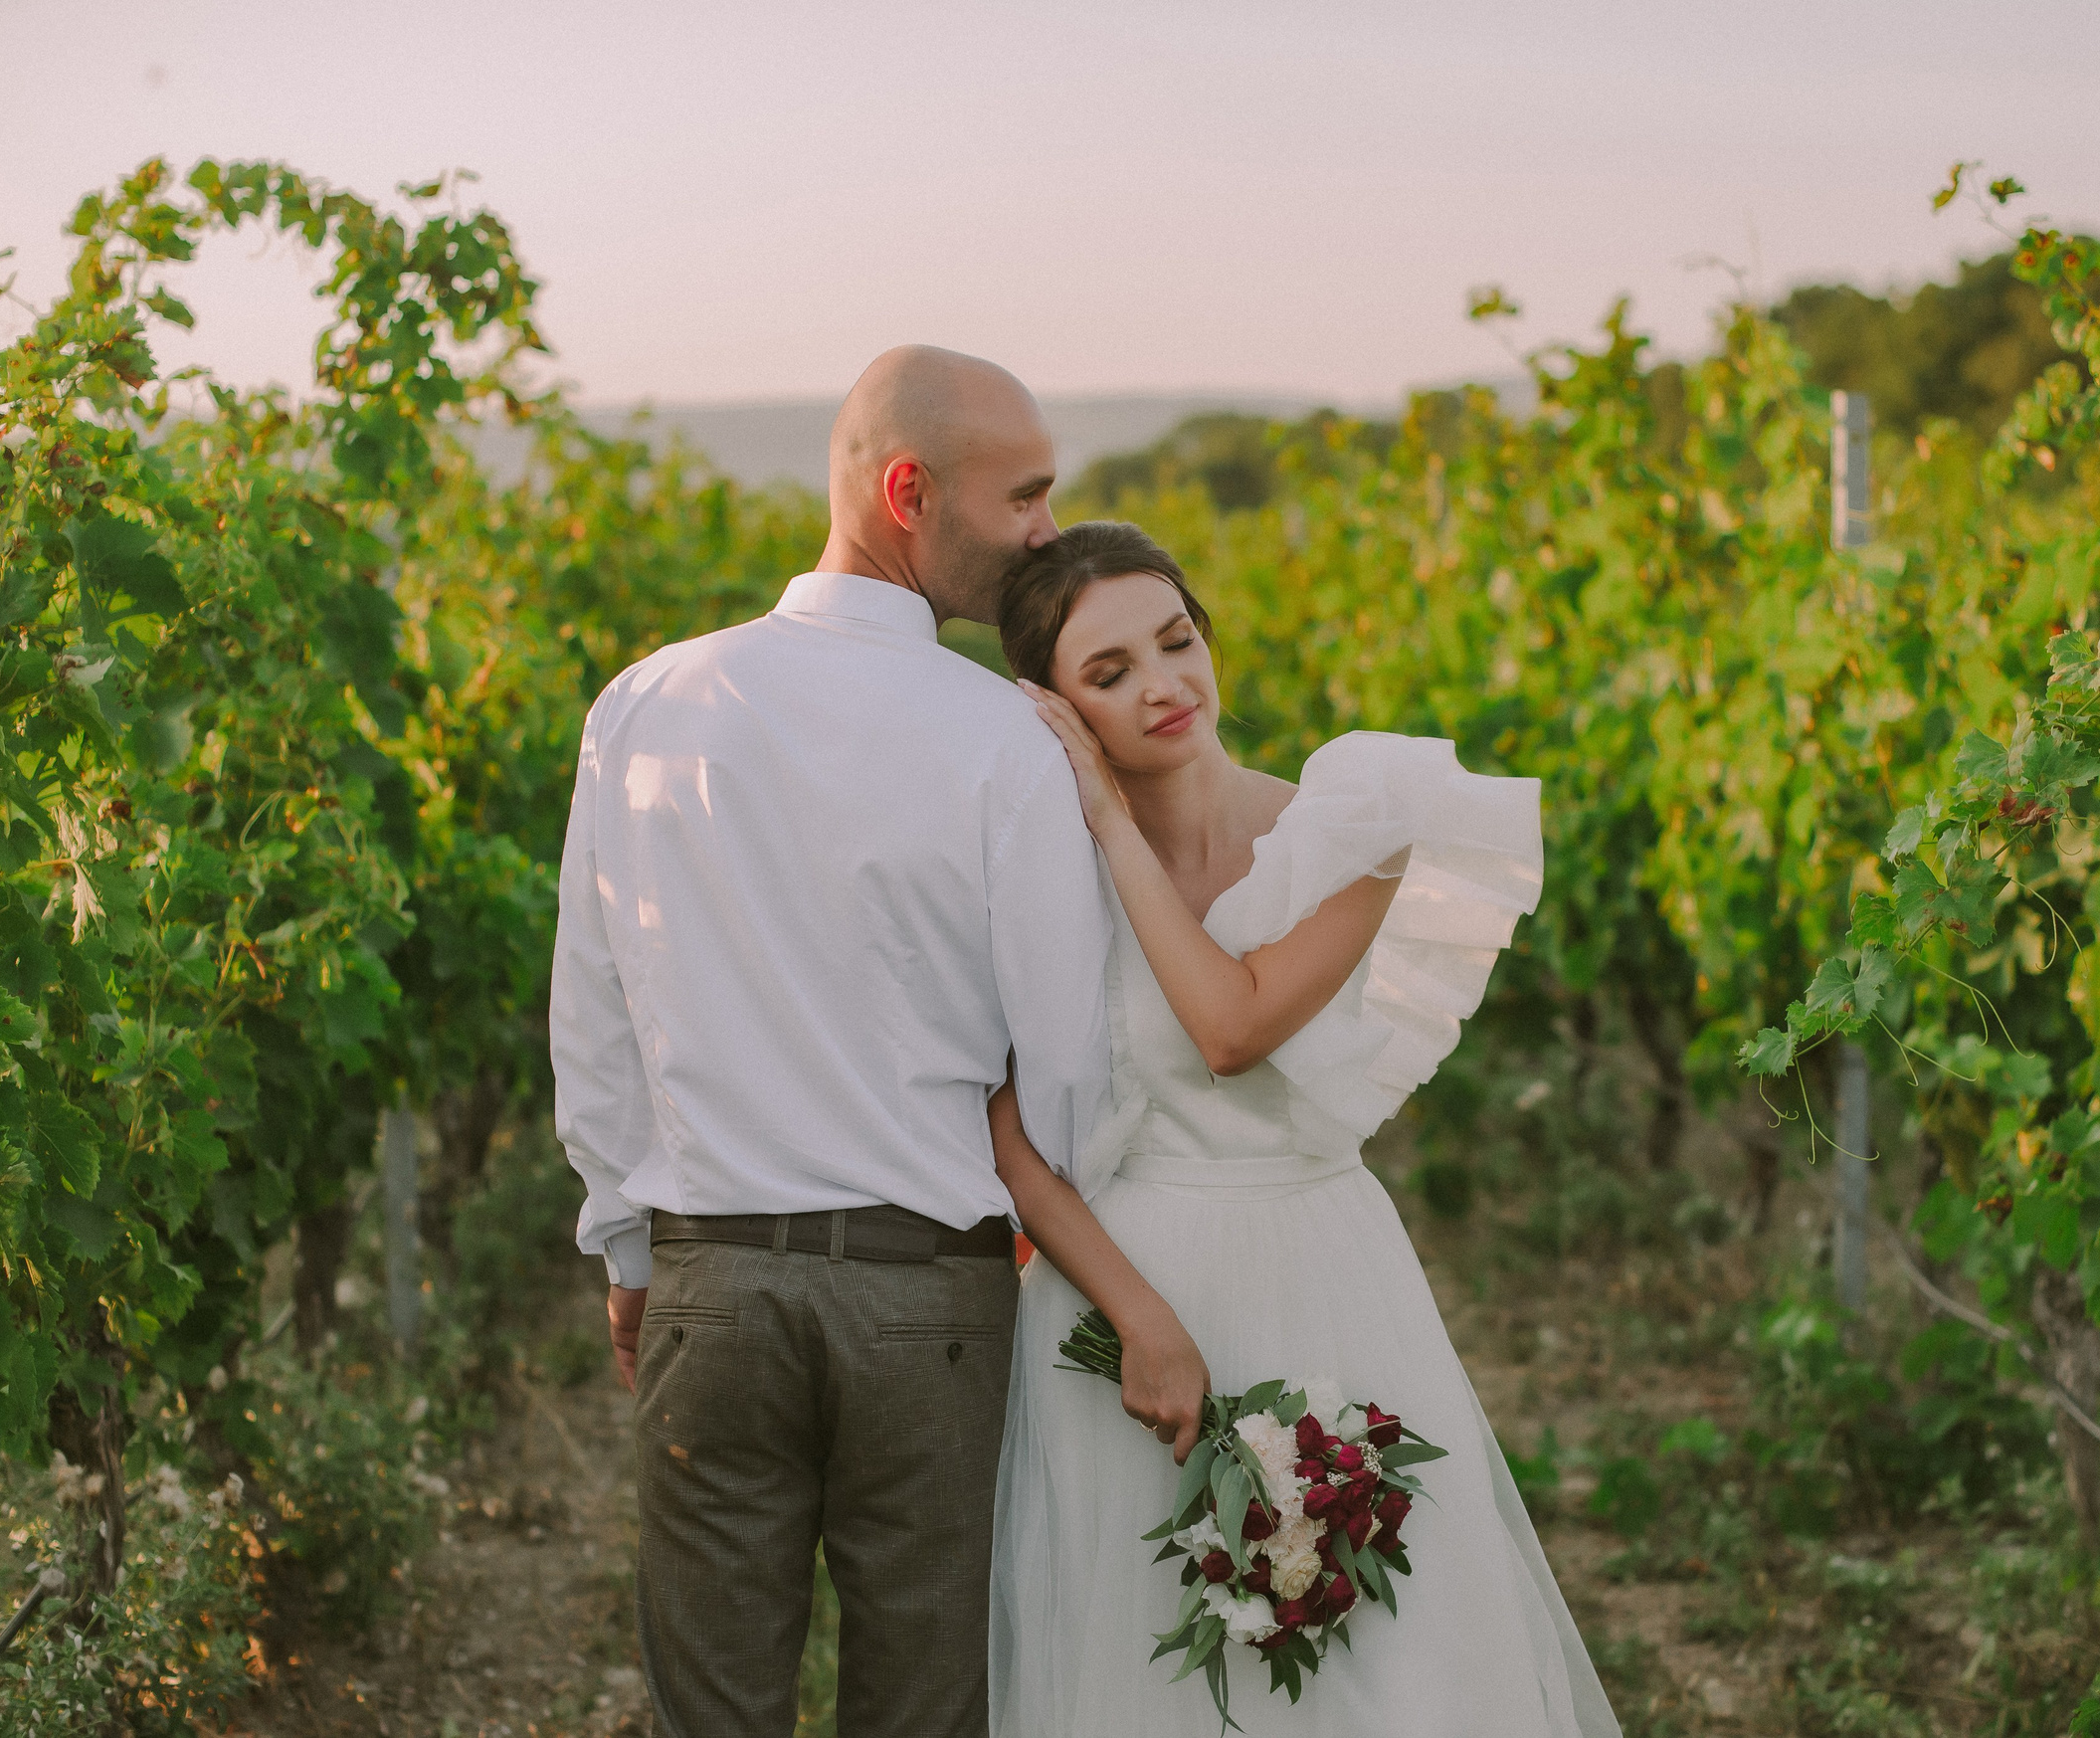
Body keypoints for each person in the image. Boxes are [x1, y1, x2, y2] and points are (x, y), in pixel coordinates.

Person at [549, 347, 1136, 1738]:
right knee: (929, 1706)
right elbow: (1066, 1058)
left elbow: (596, 1015)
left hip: (714, 1288)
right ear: (908, 490)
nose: (1047, 529)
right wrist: (1038, 1246)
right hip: (929, 1299)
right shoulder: (1005, 736)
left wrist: (630, 1251)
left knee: (715, 1707)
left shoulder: (646, 704)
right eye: (1027, 494)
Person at [984, 521, 1622, 1737]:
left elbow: (1234, 1027)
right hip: (1123, 1299)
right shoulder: (1036, 871)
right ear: (1059, 709)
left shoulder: (1350, 826)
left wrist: (1113, 831)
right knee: (1146, 1663)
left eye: (1175, 641)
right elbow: (1012, 1143)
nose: (1163, 684)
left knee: (1383, 1648)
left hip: (1324, 1268)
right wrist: (1141, 1317)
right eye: (1108, 673)